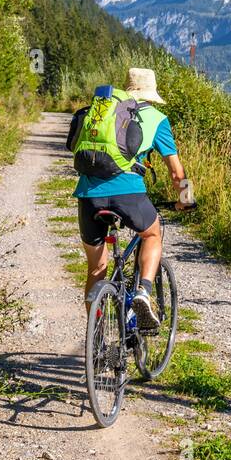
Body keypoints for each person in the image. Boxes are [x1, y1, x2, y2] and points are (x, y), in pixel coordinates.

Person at [72, 67, 190, 328]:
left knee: (96, 269)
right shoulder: (157, 118)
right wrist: (187, 199)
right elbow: (176, 172)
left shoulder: (104, 111)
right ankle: (143, 292)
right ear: (152, 93)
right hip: (128, 193)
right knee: (151, 234)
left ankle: (97, 335)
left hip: (88, 195)